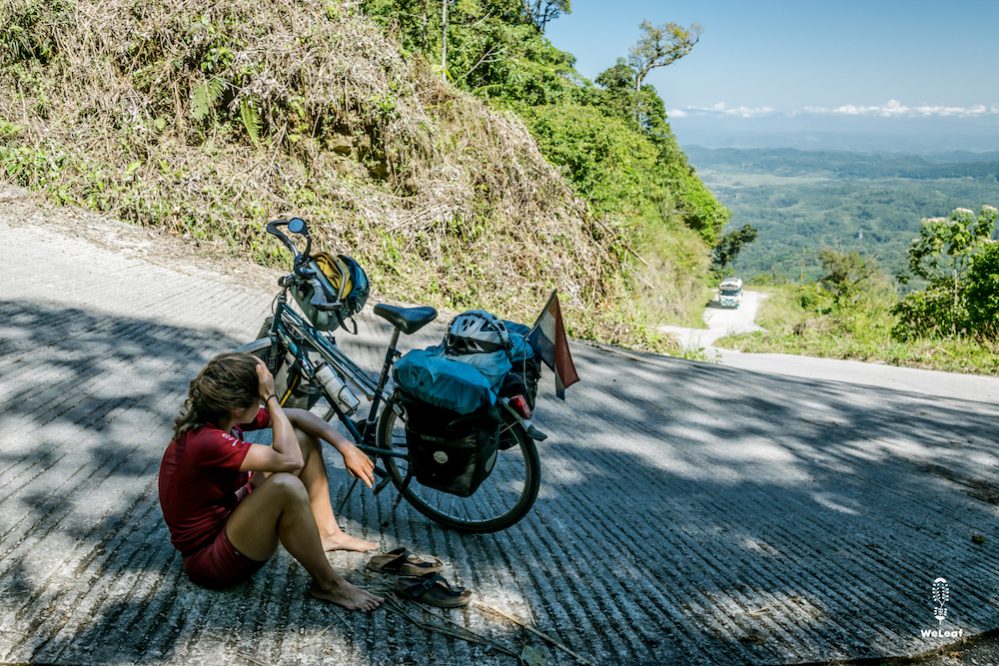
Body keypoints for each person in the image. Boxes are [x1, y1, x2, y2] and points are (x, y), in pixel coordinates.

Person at [158, 352, 383, 611]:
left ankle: (328, 533)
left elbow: (298, 416)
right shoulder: (208, 442)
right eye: (259, 398)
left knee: (301, 437)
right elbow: (291, 461)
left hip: (229, 518)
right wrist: (272, 397)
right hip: (210, 561)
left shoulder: (221, 415)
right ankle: (329, 584)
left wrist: (346, 447)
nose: (263, 403)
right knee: (286, 486)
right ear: (237, 407)